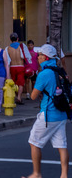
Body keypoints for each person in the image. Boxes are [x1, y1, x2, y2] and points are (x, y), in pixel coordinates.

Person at [23, 44, 69, 178]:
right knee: (62, 145)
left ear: (45, 57)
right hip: (62, 114)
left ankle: (36, 174)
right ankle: (64, 175)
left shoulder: (44, 74)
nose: (37, 58)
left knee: (34, 142)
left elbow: (32, 96)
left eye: (39, 55)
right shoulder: (60, 70)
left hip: (48, 114)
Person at [7, 33, 32, 105]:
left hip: (12, 67)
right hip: (20, 66)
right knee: (21, 83)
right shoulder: (22, 46)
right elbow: (27, 56)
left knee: (13, 83)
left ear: (10, 39)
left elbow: (7, 61)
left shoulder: (7, 48)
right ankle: (19, 98)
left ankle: (14, 96)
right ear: (17, 38)